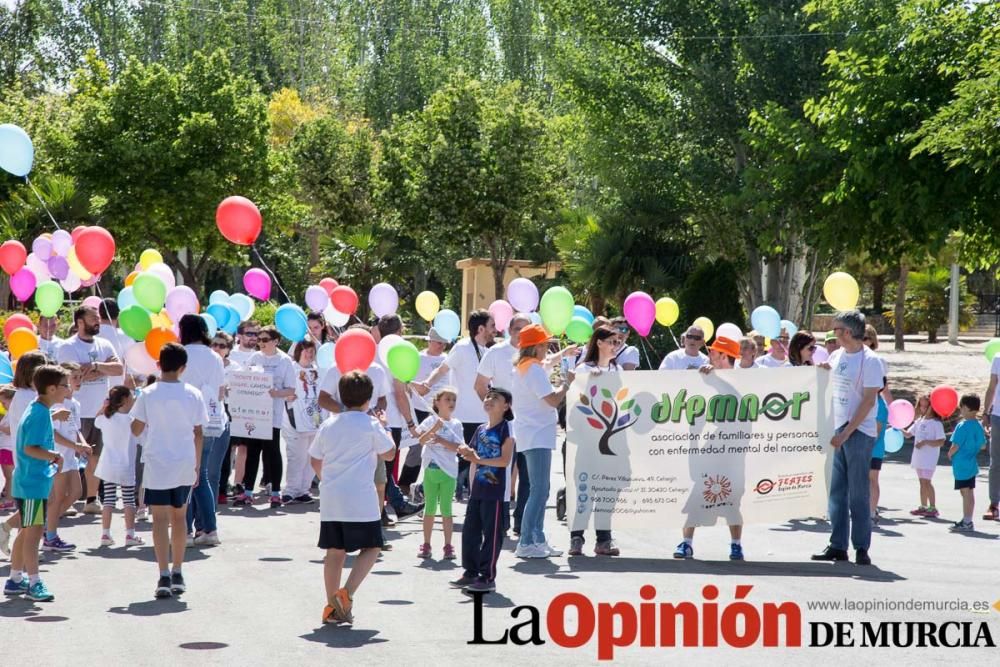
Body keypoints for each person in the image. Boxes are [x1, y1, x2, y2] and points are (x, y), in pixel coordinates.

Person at [309, 371, 396, 625]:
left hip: (333, 495)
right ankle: (346, 594)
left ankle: (331, 606)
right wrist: (385, 424)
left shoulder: (329, 423)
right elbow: (389, 454)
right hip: (360, 496)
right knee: (373, 546)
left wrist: (326, 479)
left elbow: (314, 458)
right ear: (368, 399)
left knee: (334, 552)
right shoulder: (370, 424)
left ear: (341, 398)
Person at [130, 343, 208, 599]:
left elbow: (136, 429)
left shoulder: (148, 393)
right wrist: (196, 465)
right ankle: (177, 571)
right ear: (183, 368)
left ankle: (163, 574)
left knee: (160, 520)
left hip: (157, 463)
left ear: (158, 365)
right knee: (179, 518)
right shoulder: (193, 394)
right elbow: (199, 432)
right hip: (184, 462)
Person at [812, 310, 882, 566]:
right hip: (836, 429)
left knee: (858, 493)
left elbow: (868, 400)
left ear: (849, 332)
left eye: (837, 330)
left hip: (858, 433)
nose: (834, 334)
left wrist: (846, 433)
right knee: (836, 492)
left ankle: (861, 546)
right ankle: (838, 545)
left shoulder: (872, 361)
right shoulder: (836, 355)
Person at [414, 309, 497, 500]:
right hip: (464, 416)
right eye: (492, 326)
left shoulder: (488, 351)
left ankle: (474, 499)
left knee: (472, 460)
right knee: (458, 459)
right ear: (481, 328)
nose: (495, 330)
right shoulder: (462, 347)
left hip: (483, 416)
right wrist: (427, 385)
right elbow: (443, 369)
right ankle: (422, 489)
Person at [675, 336, 745, 560]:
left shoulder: (747, 379)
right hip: (710, 450)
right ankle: (686, 543)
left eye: (714, 352)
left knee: (732, 501)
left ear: (725, 356)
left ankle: (736, 545)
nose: (710, 355)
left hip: (734, 453)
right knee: (696, 499)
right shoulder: (706, 377)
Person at [4, 364, 68, 601]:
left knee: (26, 531)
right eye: (64, 385)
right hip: (31, 483)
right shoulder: (39, 413)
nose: (67, 389)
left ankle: (15, 579)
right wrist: (54, 455)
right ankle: (34, 582)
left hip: (32, 482)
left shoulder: (39, 410)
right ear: (51, 389)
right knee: (33, 534)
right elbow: (30, 448)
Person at [56, 305, 124, 514]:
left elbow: (118, 368)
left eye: (98, 317)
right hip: (73, 410)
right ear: (80, 322)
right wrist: (101, 367)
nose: (98, 321)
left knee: (95, 456)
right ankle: (63, 500)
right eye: (93, 318)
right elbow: (71, 374)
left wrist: (93, 366)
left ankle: (92, 499)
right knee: (68, 455)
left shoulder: (105, 344)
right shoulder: (67, 346)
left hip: (99, 412)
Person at [511, 323, 567, 559]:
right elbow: (553, 400)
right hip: (537, 434)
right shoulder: (532, 370)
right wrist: (567, 384)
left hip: (533, 433)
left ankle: (537, 539)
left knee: (540, 490)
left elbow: (546, 364)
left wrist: (563, 354)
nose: (547, 348)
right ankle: (526, 541)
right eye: (544, 345)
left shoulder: (526, 367)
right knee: (539, 490)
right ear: (535, 347)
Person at [453, 387, 515, 595]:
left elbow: (505, 460)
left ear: (506, 406)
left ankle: (487, 576)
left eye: (495, 398)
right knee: (470, 532)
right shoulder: (480, 429)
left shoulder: (506, 429)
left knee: (492, 535)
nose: (488, 399)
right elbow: (472, 460)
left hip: (495, 493)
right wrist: (467, 455)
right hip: (478, 491)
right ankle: (470, 571)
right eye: (487, 396)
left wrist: (478, 459)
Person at [567, 326, 622, 556]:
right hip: (587, 440)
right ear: (599, 342)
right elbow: (576, 397)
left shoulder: (616, 369)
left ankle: (603, 539)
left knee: (607, 489)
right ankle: (576, 537)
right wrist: (590, 380)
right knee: (584, 489)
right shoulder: (584, 368)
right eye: (611, 341)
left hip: (611, 441)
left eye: (618, 342)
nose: (615, 346)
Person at [474, 313, 531, 535]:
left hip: (529, 425)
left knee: (527, 476)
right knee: (502, 474)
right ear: (509, 329)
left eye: (526, 329)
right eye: (518, 328)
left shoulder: (535, 354)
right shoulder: (496, 353)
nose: (521, 333)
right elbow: (480, 385)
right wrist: (494, 412)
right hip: (505, 425)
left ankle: (522, 522)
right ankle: (501, 520)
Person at [178, 314, 226, 543]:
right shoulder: (215, 356)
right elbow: (220, 389)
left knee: (186, 476)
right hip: (212, 419)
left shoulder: (181, 353)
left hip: (186, 421)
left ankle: (185, 530)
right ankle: (210, 529)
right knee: (202, 474)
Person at [240, 325, 296, 509]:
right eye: (259, 339)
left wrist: (276, 393)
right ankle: (247, 492)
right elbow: (245, 380)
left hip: (273, 415)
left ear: (275, 341)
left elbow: (291, 389)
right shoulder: (255, 357)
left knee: (272, 452)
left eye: (265, 340)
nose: (260, 343)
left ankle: (275, 493)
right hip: (255, 414)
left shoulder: (284, 361)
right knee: (253, 452)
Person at [43, 361, 92, 552]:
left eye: (80, 376)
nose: (78, 381)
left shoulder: (75, 403)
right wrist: (75, 446)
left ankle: (47, 526)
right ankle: (50, 535)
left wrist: (82, 443)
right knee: (56, 498)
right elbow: (53, 434)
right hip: (58, 456)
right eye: (74, 378)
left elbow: (75, 428)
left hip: (71, 456)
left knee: (76, 492)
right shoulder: (55, 405)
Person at [397, 327, 450, 494]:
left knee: (439, 446)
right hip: (420, 407)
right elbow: (404, 380)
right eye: (438, 342)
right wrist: (416, 386)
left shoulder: (447, 359)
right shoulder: (418, 357)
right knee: (416, 446)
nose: (441, 346)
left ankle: (433, 485)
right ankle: (406, 483)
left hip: (441, 409)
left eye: (444, 343)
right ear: (430, 341)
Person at [412, 387, 463, 559]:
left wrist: (441, 440)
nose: (451, 403)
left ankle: (448, 545)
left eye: (453, 400)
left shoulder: (456, 424)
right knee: (430, 508)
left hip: (448, 472)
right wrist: (435, 427)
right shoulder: (429, 421)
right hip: (430, 470)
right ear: (437, 402)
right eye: (447, 399)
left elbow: (458, 447)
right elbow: (421, 440)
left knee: (447, 509)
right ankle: (426, 544)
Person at [95, 385, 142, 547]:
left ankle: (105, 533)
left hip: (108, 465)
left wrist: (103, 408)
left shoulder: (106, 419)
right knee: (128, 500)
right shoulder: (130, 421)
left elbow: (97, 421)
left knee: (108, 499)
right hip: (125, 466)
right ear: (125, 400)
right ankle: (130, 534)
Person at [282, 336, 323, 504]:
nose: (309, 354)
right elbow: (278, 388)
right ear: (299, 351)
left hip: (314, 419)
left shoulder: (319, 370)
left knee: (310, 457)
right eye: (306, 350)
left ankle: (303, 490)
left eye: (312, 351)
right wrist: (286, 395)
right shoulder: (290, 368)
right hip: (294, 420)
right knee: (296, 456)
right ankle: (290, 490)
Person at [948, 394, 986, 533]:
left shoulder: (962, 426)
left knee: (965, 492)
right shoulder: (977, 425)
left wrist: (950, 453)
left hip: (961, 464)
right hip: (971, 462)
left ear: (966, 408)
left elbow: (955, 445)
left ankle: (967, 521)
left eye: (962, 407)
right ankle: (968, 519)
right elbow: (982, 446)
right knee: (969, 491)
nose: (961, 410)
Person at [208, 332, 236, 505]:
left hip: (229, 409)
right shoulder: (207, 364)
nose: (217, 348)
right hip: (209, 408)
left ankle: (222, 489)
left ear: (228, 349)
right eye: (215, 344)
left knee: (225, 453)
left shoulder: (235, 368)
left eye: (222, 345)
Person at [906, 395, 944, 517]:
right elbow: (908, 434)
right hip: (919, 457)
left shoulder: (936, 423)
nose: (923, 408)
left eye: (926, 406)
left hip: (929, 457)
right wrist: (897, 427)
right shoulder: (919, 421)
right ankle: (923, 506)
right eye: (921, 406)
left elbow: (941, 441)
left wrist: (925, 442)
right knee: (922, 482)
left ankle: (933, 507)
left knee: (927, 482)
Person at [980, 348, 1000, 521]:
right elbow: (992, 387)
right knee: (995, 462)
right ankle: (994, 504)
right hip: (998, 416)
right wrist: (985, 413)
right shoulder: (998, 358)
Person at [98, 299, 130, 386]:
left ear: (99, 314)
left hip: (91, 388)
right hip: (117, 389)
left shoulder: (91, 334)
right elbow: (130, 368)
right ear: (118, 314)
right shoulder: (126, 337)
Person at [869, 385, 888, 525]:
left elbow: (876, 430)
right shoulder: (870, 400)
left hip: (874, 450)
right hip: (866, 449)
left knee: (872, 480)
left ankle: (872, 512)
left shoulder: (880, 405)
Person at [0, 385, 17, 512]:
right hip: (6, 448)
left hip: (8, 448)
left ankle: (9, 499)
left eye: (4, 402)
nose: (3, 404)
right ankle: (7, 496)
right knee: (8, 476)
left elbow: (11, 430)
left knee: (9, 475)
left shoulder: (13, 413)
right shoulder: (8, 413)